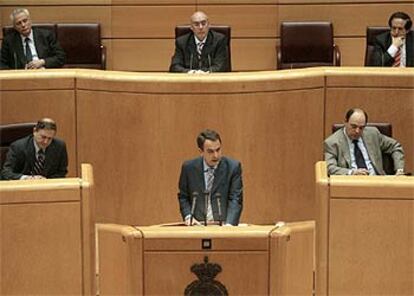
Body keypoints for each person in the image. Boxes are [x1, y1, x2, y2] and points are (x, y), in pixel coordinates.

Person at [177, 129, 243, 226]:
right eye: (210, 151)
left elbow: (236, 199)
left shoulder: (233, 167)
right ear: (201, 152)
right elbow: (183, 196)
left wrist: (229, 225)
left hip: (224, 225)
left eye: (218, 150)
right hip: (197, 226)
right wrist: (188, 216)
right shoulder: (189, 168)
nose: (216, 155)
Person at [324, 108, 405, 176]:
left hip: (377, 181)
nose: (357, 131)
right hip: (350, 184)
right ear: (345, 121)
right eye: (354, 126)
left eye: (361, 127)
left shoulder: (373, 134)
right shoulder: (332, 142)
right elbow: (330, 167)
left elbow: (395, 146)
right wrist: (352, 172)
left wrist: (399, 170)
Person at [1, 118, 68, 180]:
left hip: (48, 188)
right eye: (43, 137)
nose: (46, 142)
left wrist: (46, 180)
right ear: (34, 131)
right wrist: (26, 178)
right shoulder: (18, 147)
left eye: (50, 138)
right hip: (23, 187)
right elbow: (6, 172)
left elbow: (62, 172)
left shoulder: (59, 146)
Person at [0, 8, 65, 70]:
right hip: (22, 76)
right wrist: (20, 71)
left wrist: (42, 62)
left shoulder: (46, 35)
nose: (23, 25)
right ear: (14, 27)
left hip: (45, 72)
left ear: (30, 21)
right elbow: (2, 64)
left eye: (25, 21)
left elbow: (60, 57)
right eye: (18, 23)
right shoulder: (9, 41)